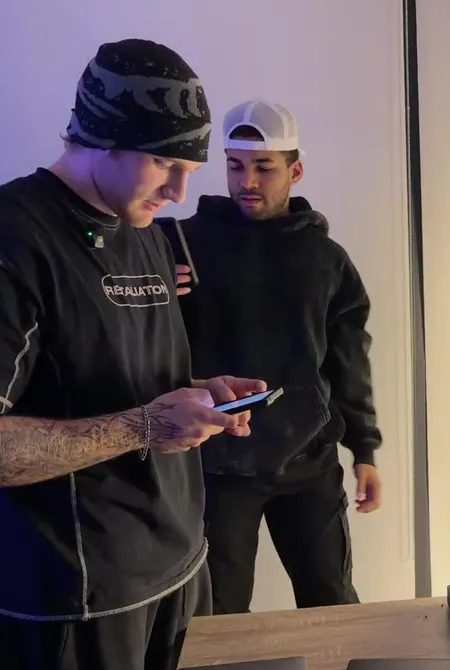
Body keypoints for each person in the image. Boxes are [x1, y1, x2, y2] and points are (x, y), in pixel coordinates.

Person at [0, 39, 267, 670]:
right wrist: (147, 425)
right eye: (165, 163)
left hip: (180, 567)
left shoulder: (143, 229)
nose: (179, 191)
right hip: (71, 603)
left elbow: (113, 375)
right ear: (101, 137)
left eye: (189, 168)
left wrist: (199, 394)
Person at [157, 99, 382, 615]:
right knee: (219, 616)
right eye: (235, 166)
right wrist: (156, 284)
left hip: (309, 463)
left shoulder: (326, 260)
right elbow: (124, 314)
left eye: (264, 167)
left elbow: (349, 360)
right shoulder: (177, 245)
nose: (247, 181)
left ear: (294, 172)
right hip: (218, 464)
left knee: (331, 607)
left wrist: (365, 448)